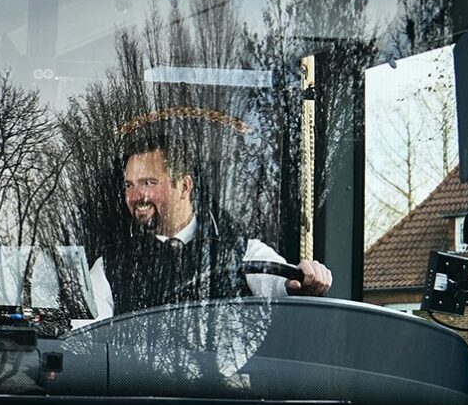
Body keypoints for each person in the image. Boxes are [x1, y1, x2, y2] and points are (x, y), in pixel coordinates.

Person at [84, 129, 332, 318]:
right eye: (129, 185)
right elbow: (88, 338)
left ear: (184, 186)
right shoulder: (110, 266)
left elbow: (279, 283)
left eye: (148, 183)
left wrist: (302, 281)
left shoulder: (241, 250)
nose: (135, 196)